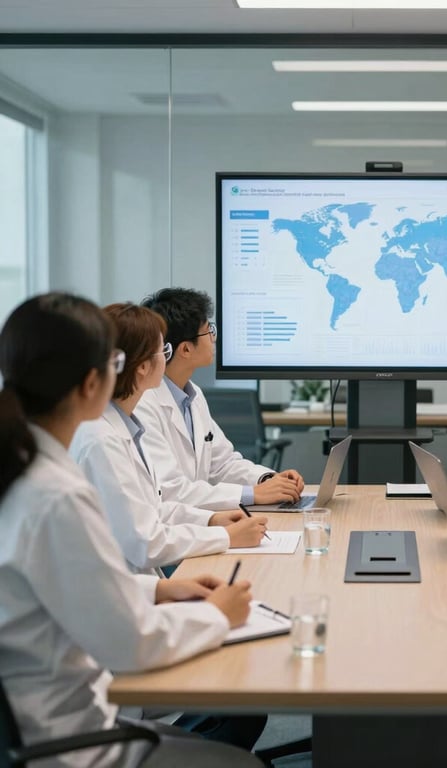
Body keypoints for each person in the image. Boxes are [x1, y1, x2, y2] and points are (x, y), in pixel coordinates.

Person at [0, 292, 265, 768]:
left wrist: (159, 591)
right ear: (90, 382)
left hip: (48, 714)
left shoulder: (28, 469)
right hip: (75, 741)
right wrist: (219, 615)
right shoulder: (58, 492)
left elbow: (74, 585)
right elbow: (130, 642)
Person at [70, 303, 269, 573]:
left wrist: (212, 520)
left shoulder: (126, 426)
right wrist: (226, 537)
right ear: (142, 367)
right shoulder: (101, 440)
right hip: (125, 589)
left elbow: (155, 508)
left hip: (144, 580)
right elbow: (144, 541)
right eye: (164, 350)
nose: (167, 358)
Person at [135, 288, 304, 511]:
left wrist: (268, 480)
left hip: (198, 523)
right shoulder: (144, 405)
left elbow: (222, 464)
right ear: (185, 349)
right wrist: (253, 494)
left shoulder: (192, 395)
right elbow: (171, 490)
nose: (214, 338)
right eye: (209, 331)